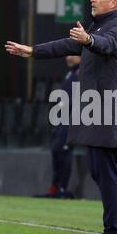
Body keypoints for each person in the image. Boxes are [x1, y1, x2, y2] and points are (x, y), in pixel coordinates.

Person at [6, 0, 117, 234]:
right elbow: (67, 45)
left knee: (104, 171)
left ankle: (115, 233)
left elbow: (105, 45)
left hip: (108, 107)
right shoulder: (98, 27)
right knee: (101, 172)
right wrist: (32, 51)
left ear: (114, 2)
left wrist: (88, 40)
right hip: (97, 107)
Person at [36, 56, 80, 199]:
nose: (68, 57)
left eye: (71, 54)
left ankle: (62, 188)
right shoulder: (70, 73)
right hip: (63, 118)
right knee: (56, 150)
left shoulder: (82, 72)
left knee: (63, 150)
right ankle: (55, 187)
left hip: (74, 119)